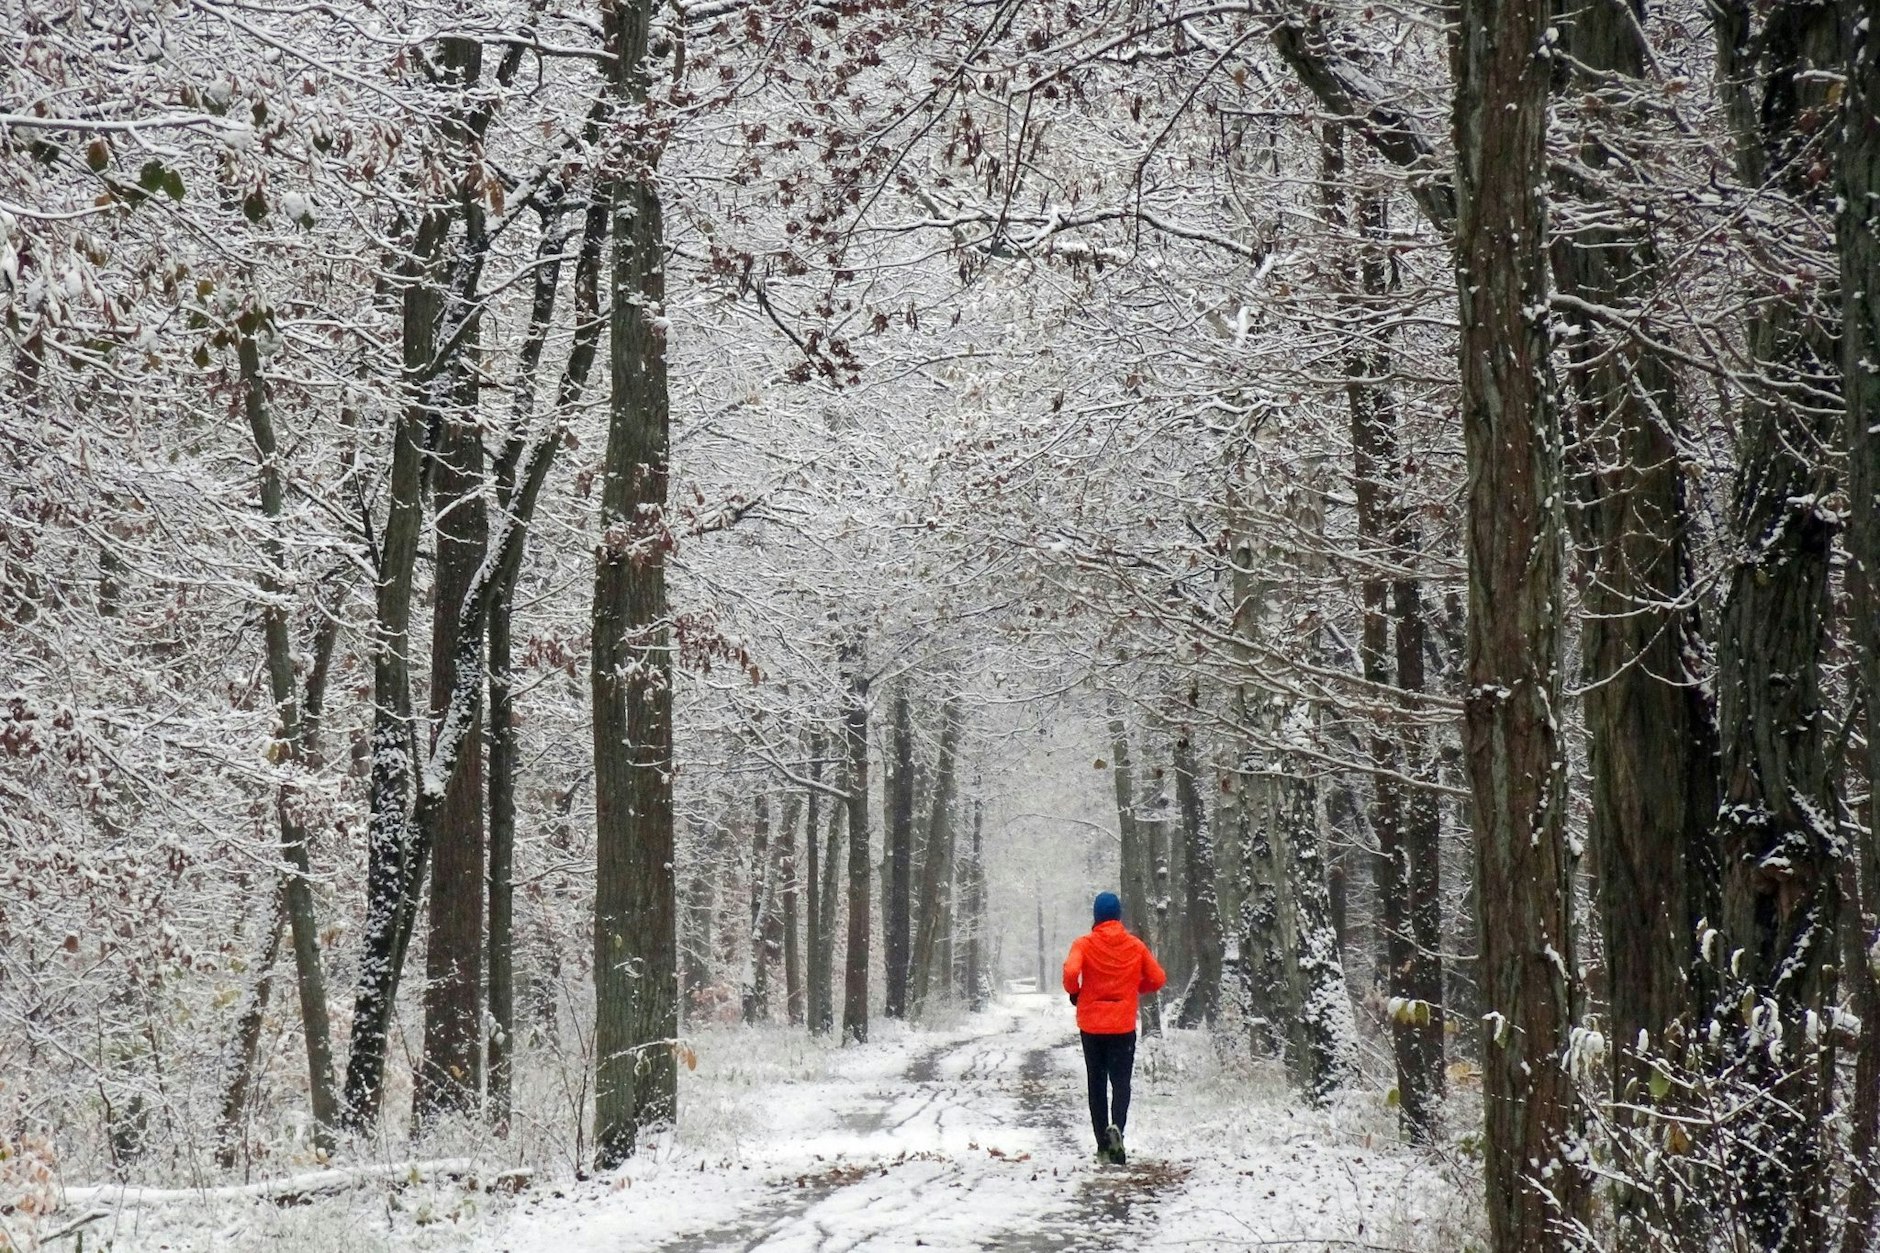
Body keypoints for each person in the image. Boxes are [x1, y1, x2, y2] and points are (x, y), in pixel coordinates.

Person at [1062, 891, 1166, 1165]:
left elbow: (1072, 973)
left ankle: (1102, 1146)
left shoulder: (1083, 944)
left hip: (1092, 1027)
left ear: (1095, 916)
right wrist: (1134, 989)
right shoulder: (1135, 946)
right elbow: (1157, 978)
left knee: (1096, 1083)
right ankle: (1117, 1127)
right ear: (1119, 915)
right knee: (1121, 1083)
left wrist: (1076, 993)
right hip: (1122, 1026)